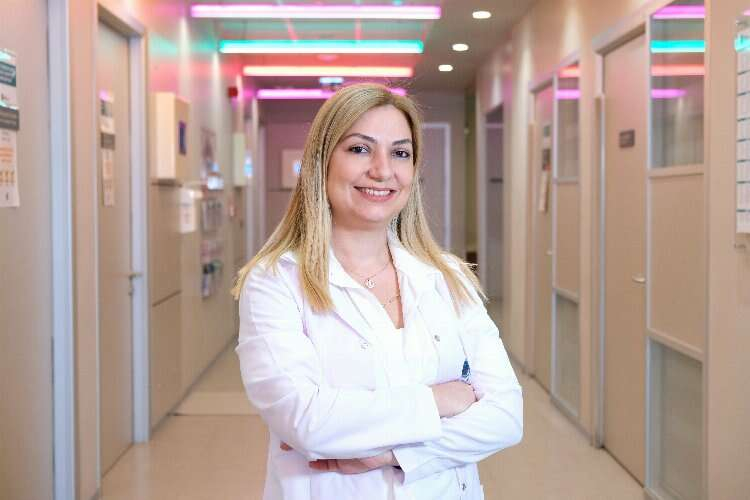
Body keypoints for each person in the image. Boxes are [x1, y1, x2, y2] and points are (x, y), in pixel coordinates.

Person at [233, 83, 523, 500]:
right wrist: (440, 400)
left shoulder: (447, 277)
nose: (383, 170)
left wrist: (394, 455)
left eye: (401, 153)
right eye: (359, 149)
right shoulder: (275, 282)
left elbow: (506, 417)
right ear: (321, 161)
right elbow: (307, 421)